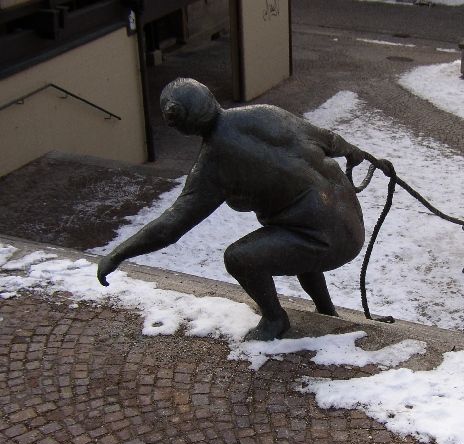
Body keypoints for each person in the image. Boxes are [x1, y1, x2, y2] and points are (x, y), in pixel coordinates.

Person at [97, 78, 366, 341]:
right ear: (210, 97)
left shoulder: (214, 164)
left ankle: (275, 319)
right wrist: (352, 151)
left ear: (180, 127)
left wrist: (119, 254)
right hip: (348, 219)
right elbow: (329, 140)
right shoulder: (266, 115)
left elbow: (171, 226)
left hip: (329, 241)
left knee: (240, 258)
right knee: (293, 236)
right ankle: (327, 312)